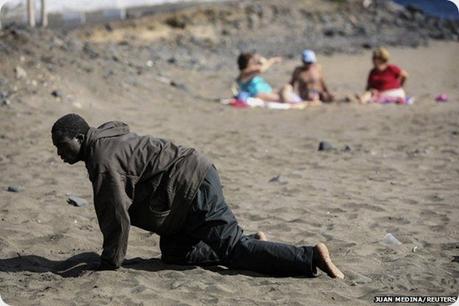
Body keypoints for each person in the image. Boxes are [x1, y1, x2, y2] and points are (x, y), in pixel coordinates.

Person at [51, 113, 344, 279]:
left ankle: (310, 256)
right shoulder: (104, 138)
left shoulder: (102, 160)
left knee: (233, 251)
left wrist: (110, 262)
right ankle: (253, 242)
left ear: (79, 138)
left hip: (191, 185)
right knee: (176, 254)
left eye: (62, 146)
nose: (59, 154)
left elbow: (115, 215)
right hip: (180, 195)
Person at [236, 52, 303, 104]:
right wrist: (272, 60)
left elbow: (262, 64)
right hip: (258, 94)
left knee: (287, 87)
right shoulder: (244, 73)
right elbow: (261, 69)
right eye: (252, 62)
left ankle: (295, 102)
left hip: (268, 92)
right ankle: (293, 104)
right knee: (281, 97)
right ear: (247, 64)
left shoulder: (251, 73)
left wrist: (260, 59)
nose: (254, 64)